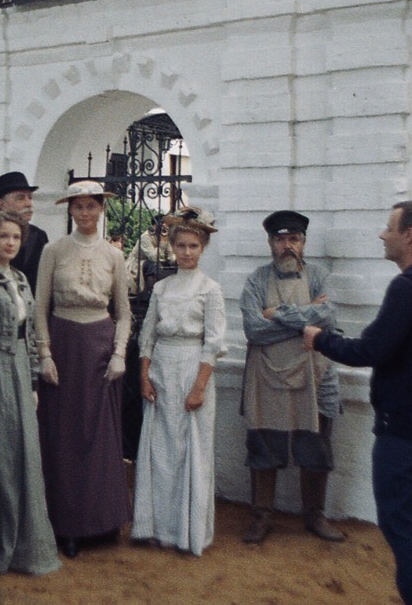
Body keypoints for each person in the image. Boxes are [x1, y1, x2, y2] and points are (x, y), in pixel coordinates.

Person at [304, 201, 412, 605]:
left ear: (410, 234)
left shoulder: (408, 288)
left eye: (389, 227)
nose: (382, 234)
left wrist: (319, 339)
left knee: (405, 531)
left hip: (403, 432)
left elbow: (374, 349)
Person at [35, 180, 132, 559]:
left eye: (92, 206)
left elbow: (123, 312)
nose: (86, 213)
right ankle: (67, 525)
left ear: (101, 209)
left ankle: (103, 520)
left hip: (99, 347)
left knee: (99, 435)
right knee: (64, 434)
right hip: (63, 343)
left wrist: (120, 352)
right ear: (70, 210)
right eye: (79, 206)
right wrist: (44, 353)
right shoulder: (53, 250)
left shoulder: (114, 256)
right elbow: (40, 306)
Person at [239, 210, 344, 544]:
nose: (287, 246)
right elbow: (253, 330)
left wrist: (276, 314)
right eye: (280, 239)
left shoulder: (319, 276)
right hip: (265, 376)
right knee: (264, 444)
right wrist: (303, 322)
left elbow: (328, 316)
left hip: (315, 376)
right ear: (271, 243)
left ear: (303, 242)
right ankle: (261, 516)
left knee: (316, 444)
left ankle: (315, 516)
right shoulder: (256, 280)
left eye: (293, 239)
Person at [0, 212, 61, 577]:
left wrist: (34, 380)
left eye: (16, 238)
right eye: (3, 236)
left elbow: (31, 335)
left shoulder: (21, 278)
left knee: (26, 454)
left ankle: (27, 544)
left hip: (20, 369)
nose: (10, 243)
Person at [131, 207, 226, 556]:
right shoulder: (162, 287)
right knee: (159, 450)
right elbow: (148, 335)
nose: (186, 252)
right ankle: (154, 526)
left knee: (191, 449)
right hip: (161, 370)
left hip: (192, 369)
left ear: (203, 249)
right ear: (172, 246)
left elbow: (214, 342)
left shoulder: (210, 289)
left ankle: (188, 533)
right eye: (181, 245)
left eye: (193, 246)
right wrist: (144, 376)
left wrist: (199, 387)